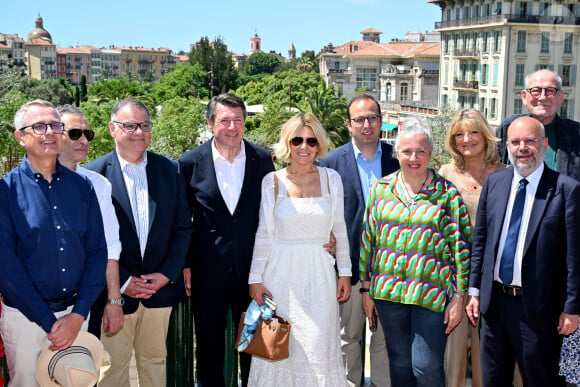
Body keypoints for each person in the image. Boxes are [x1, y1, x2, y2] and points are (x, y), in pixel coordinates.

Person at [466, 116, 580, 386]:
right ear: (507, 145)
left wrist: (572, 308)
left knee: (540, 380)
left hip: (540, 310)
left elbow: (575, 256)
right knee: (494, 380)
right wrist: (473, 291)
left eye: (530, 141)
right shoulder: (495, 183)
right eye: (516, 142)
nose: (523, 147)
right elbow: (480, 240)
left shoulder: (566, 190)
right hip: (494, 306)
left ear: (544, 144)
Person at [0, 100, 107, 385]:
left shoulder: (83, 187)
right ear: (20, 137)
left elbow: (98, 251)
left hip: (76, 315)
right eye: (39, 126)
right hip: (25, 320)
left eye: (56, 125)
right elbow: (6, 268)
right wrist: (49, 322)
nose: (49, 132)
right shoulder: (5, 191)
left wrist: (79, 313)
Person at [86, 98, 192, 387]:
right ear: (112, 129)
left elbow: (183, 228)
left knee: (155, 363)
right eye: (129, 125)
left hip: (159, 290)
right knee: (111, 369)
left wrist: (167, 274)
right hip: (114, 295)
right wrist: (121, 283)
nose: (138, 132)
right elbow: (91, 242)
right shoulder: (94, 176)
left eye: (144, 125)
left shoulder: (170, 170)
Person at [359, 117, 471, 387]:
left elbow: (462, 249)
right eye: (407, 151)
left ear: (431, 154)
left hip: (430, 295)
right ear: (397, 153)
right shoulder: (381, 190)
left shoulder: (447, 195)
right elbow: (368, 241)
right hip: (387, 293)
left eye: (421, 151)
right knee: (399, 363)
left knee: (427, 366)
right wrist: (366, 289)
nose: (413, 157)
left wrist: (458, 297)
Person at [178, 93, 275, 387]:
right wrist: (185, 265)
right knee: (209, 347)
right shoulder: (190, 162)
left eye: (238, 121)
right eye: (224, 121)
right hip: (207, 274)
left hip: (253, 274)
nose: (232, 127)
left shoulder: (262, 159)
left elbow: (275, 213)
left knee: (253, 349)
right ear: (210, 123)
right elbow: (182, 219)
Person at [247, 112, 351, 385]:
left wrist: (345, 273)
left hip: (320, 277)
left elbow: (339, 229)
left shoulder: (332, 179)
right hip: (279, 277)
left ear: (319, 145)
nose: (304, 147)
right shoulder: (272, 182)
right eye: (297, 140)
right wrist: (255, 280)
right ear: (287, 143)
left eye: (311, 141)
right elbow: (264, 234)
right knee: (279, 348)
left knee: (318, 345)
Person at [320, 94, 398, 387]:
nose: (367, 125)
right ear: (348, 124)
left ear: (380, 120)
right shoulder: (330, 164)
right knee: (347, 340)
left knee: (384, 342)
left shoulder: (399, 158)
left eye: (373, 118)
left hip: (390, 271)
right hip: (347, 271)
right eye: (360, 119)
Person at [438, 109, 506, 387]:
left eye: (473, 132)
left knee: (487, 356)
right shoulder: (444, 175)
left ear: (486, 135)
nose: (467, 139)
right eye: (460, 134)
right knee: (453, 357)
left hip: (492, 279)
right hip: (453, 278)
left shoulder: (506, 174)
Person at [56, 104, 124, 339]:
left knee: (83, 372)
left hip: (87, 300)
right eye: (75, 133)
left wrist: (114, 300)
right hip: (36, 303)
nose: (83, 140)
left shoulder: (99, 185)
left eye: (88, 134)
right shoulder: (21, 186)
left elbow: (110, 246)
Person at [496, 69, 580, 181]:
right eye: (536, 91)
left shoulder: (575, 133)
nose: (542, 97)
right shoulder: (509, 127)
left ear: (560, 97)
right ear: (524, 97)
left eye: (550, 90)